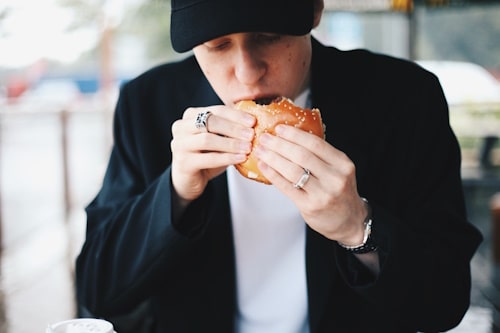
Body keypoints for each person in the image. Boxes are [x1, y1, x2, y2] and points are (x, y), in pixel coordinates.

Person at [75, 0, 483, 332]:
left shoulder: (404, 98)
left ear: (315, 11)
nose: (247, 72)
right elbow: (99, 288)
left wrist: (356, 226)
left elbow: (444, 305)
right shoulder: (148, 103)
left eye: (268, 36)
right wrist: (175, 193)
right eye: (217, 45)